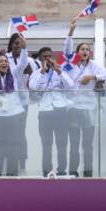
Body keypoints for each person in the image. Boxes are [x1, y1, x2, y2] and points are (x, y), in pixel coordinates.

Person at [61, 19, 106, 177]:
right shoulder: (70, 64)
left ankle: (88, 172)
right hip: (74, 109)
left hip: (89, 109)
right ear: (77, 52)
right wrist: (71, 32)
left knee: (88, 144)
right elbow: (67, 48)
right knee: (74, 144)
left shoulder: (94, 65)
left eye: (87, 49)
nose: (85, 51)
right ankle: (73, 172)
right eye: (82, 49)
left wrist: (91, 77)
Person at [29, 45, 69, 176]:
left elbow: (71, 85)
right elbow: (33, 87)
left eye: (49, 56)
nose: (48, 58)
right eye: (45, 56)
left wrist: (59, 71)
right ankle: (46, 172)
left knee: (62, 144)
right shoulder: (36, 74)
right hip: (45, 111)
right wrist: (42, 72)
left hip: (60, 110)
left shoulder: (59, 71)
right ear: (40, 59)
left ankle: (62, 171)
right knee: (46, 145)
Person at [0, 52, 25, 176]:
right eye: (0, 61)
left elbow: (23, 64)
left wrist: (24, 48)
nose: (3, 63)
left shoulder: (13, 74)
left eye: (5, 61)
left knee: (13, 147)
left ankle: (12, 174)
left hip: (14, 116)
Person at [5, 32, 33, 170]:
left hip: (23, 101)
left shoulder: (29, 59)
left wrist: (31, 72)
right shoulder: (6, 58)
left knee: (21, 131)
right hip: (9, 101)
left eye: (20, 44)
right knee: (11, 132)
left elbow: (35, 78)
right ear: (11, 44)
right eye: (16, 43)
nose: (18, 46)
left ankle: (22, 160)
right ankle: (11, 159)